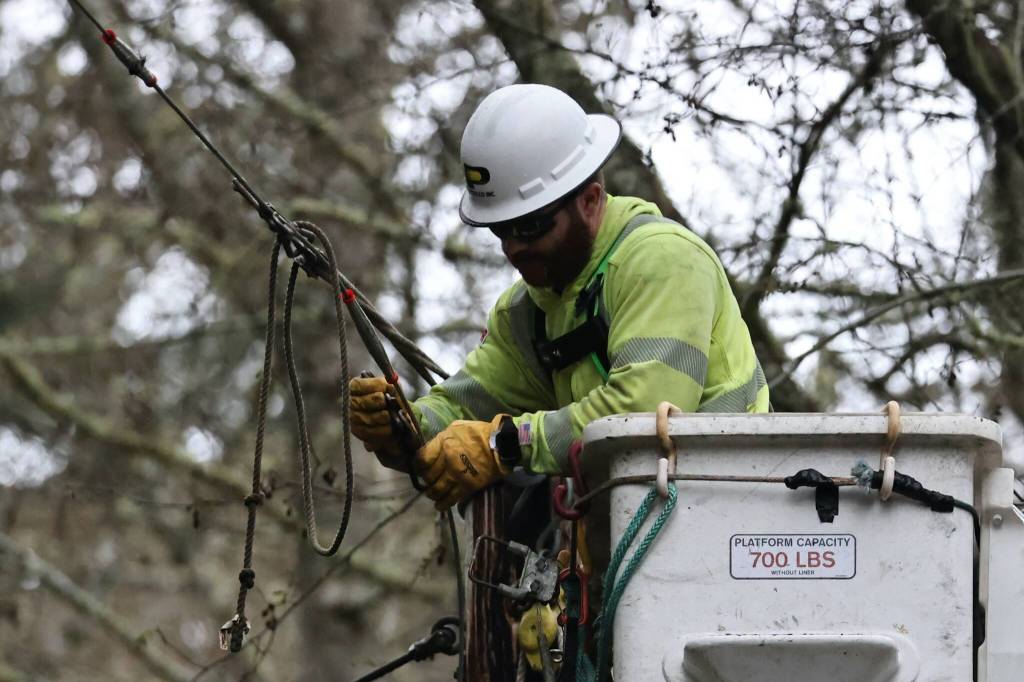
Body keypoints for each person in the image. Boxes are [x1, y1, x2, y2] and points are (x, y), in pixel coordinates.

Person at [349, 83, 769, 510]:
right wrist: (406, 424)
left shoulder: (664, 262)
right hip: (636, 527)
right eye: (501, 230)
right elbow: (463, 409)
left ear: (589, 201)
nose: (513, 247)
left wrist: (507, 444)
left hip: (730, 513)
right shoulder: (530, 312)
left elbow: (640, 419)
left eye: (531, 226)